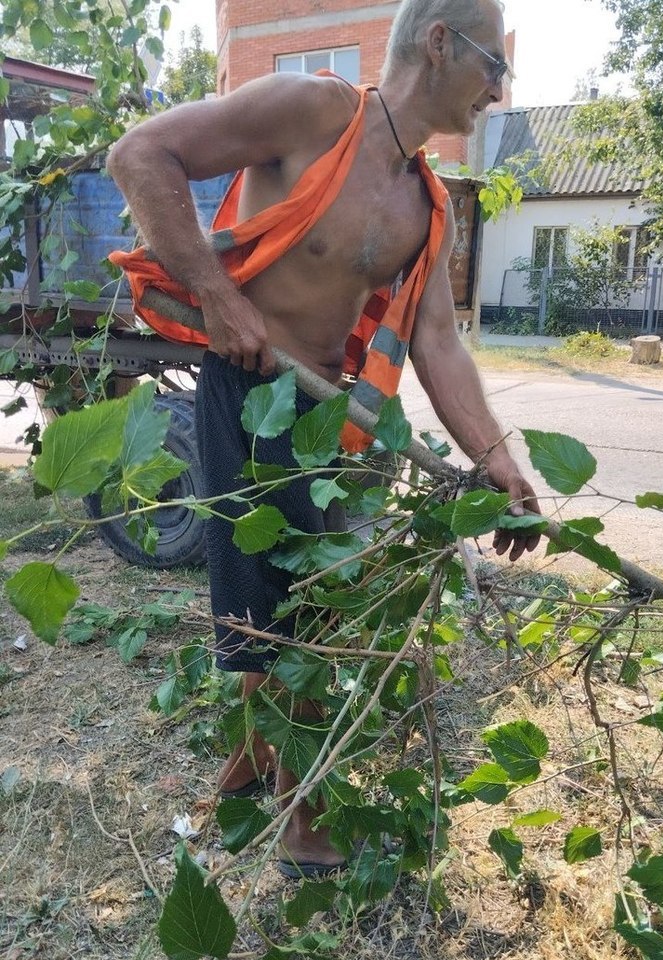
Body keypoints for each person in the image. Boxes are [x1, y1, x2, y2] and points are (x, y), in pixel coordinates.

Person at [107, 0, 541, 877]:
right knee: (277, 606)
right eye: (494, 66)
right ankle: (301, 813)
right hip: (247, 390)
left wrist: (502, 463)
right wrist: (220, 296)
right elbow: (138, 154)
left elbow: (438, 343)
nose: (500, 90)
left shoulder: (429, 203)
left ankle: (255, 756)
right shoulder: (316, 113)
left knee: (312, 596)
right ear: (438, 43)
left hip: (329, 412)